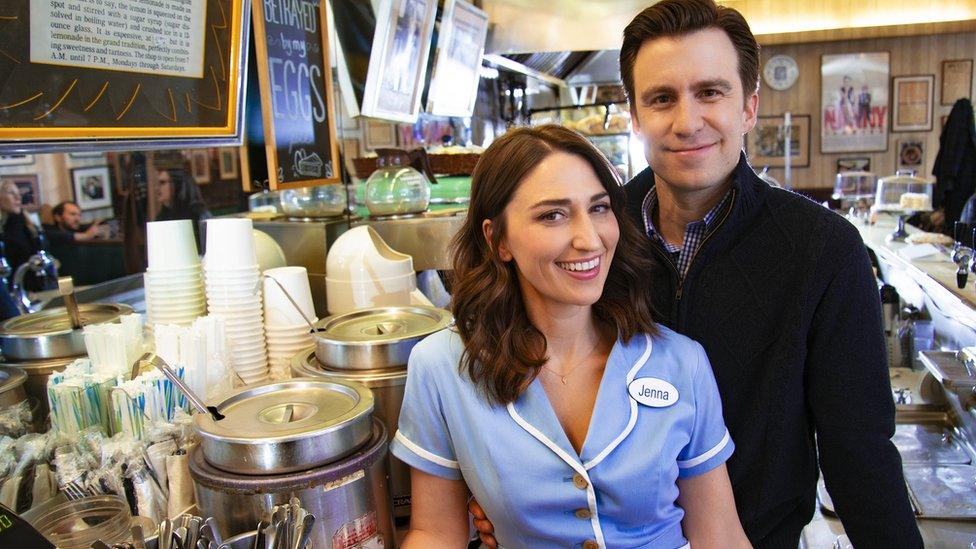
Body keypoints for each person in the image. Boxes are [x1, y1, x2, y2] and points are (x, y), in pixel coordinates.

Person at [472, 1, 922, 547]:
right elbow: (517, 367)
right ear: (635, 116)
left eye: (710, 92)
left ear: (749, 107)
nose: (687, 122)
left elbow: (861, 451)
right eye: (662, 98)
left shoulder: (823, 251)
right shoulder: (591, 241)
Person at [391, 125, 750, 548]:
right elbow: (435, 534)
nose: (589, 238)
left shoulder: (680, 362)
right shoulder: (442, 367)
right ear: (498, 239)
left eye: (599, 208)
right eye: (552, 215)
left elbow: (720, 535)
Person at [0, 180, 53, 292]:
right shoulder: (6, 230)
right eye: (11, 193)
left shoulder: (29, 225)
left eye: (18, 194)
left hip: (37, 288)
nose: (17, 198)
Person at [154, 168, 211, 247]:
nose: (157, 188)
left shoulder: (200, 215)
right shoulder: (160, 218)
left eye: (162, 183)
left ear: (177, 184)